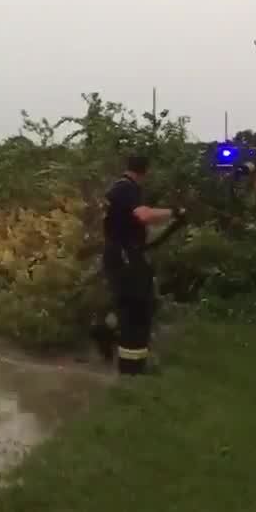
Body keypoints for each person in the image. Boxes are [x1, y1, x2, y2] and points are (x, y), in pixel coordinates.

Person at [92, 153, 181, 375]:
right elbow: (143, 215)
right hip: (125, 256)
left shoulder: (118, 188)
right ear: (145, 171)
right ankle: (131, 367)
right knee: (137, 308)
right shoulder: (127, 189)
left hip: (120, 253)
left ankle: (104, 331)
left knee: (128, 303)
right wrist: (174, 212)